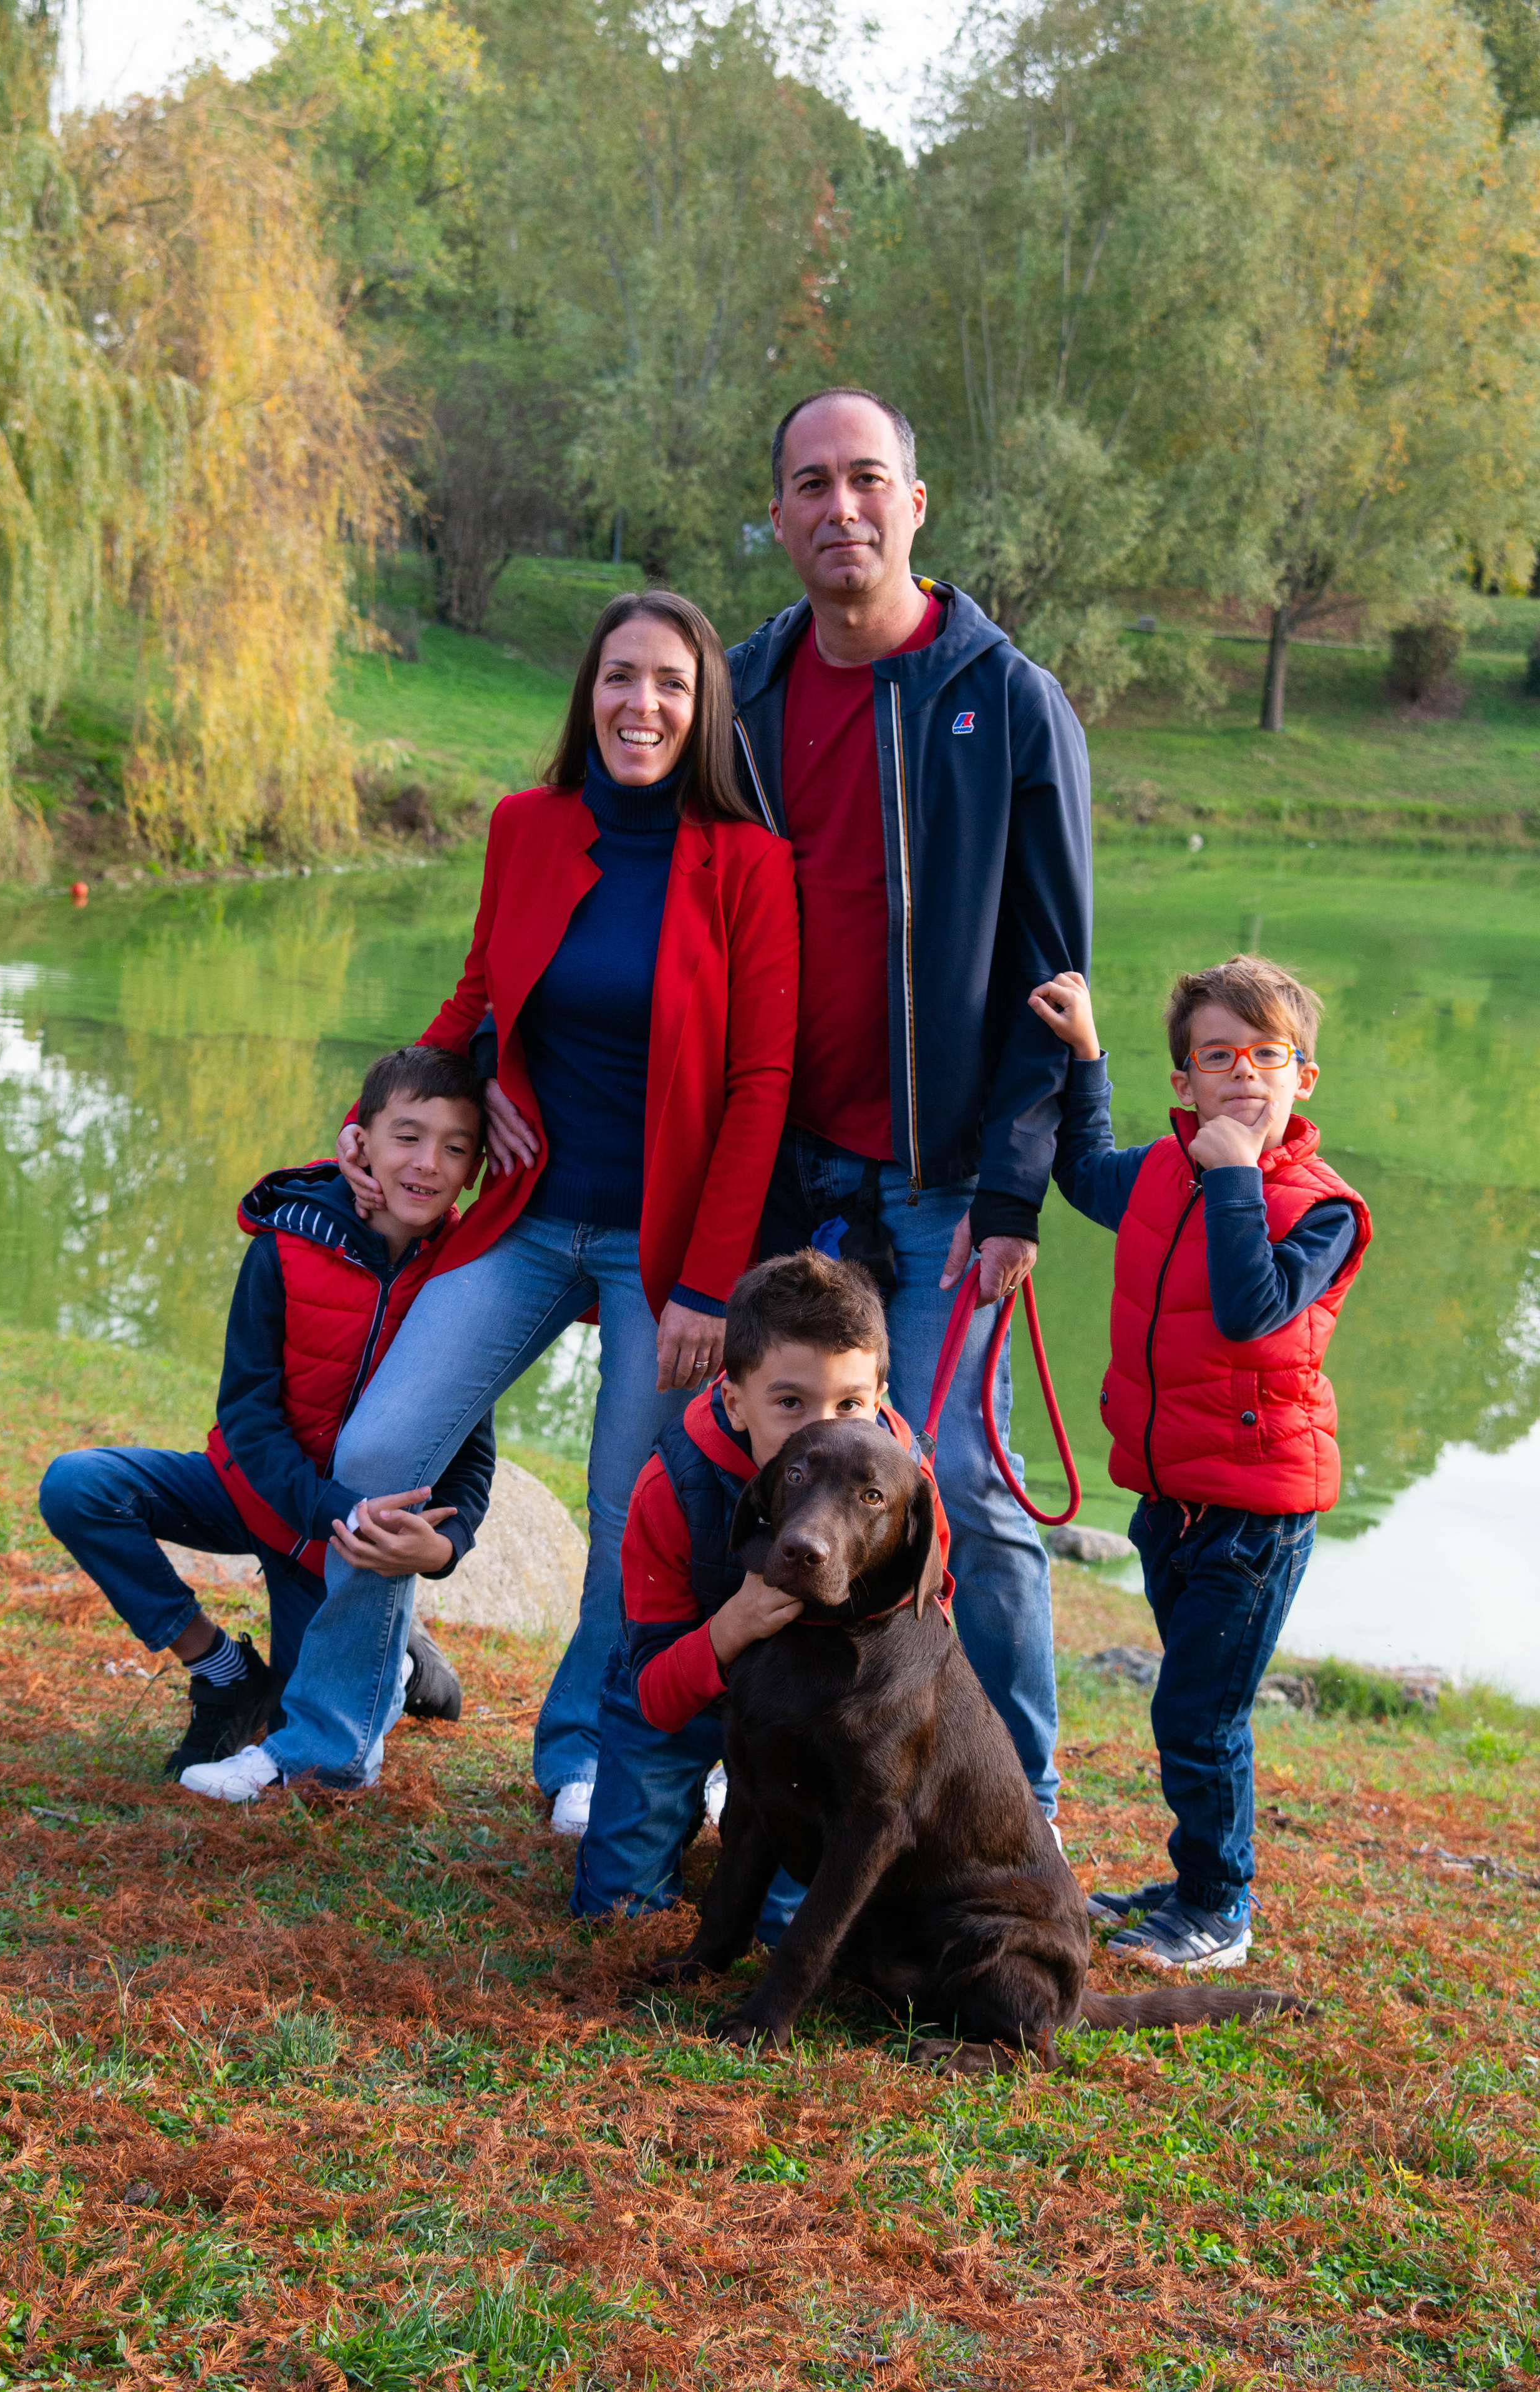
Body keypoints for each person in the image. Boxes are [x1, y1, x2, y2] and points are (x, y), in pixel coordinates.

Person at [205, 591, 798, 1818]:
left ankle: (584, 1751)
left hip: (664, 1246)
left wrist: (704, 1286)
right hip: (525, 1216)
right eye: (620, 678)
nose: (643, 705)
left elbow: (759, 1082)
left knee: (631, 1502)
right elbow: (480, 990)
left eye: (671, 686)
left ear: (704, 713)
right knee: (376, 1449)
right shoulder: (529, 827)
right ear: (588, 695)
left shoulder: (746, 862)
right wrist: (400, 1114)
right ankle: (329, 1733)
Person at [730, 383, 1091, 1823]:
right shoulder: (744, 686)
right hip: (789, 1170)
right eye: (809, 485)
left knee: (951, 1474)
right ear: (777, 515)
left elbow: (1054, 971)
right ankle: (785, 1781)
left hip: (943, 1178)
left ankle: (1022, 1803)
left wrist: (1014, 1187)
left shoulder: (1003, 697)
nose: (839, 508)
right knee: (776, 1473)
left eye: (865, 479)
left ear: (914, 502)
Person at [1033, 954, 1372, 1968]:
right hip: (1171, 1497)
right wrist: (1086, 1054)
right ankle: (1192, 1883)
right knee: (1186, 1698)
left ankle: (1220, 1912)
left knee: (1203, 1711)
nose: (1244, 1074)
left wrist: (1230, 1171)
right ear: (1182, 1080)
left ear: (1303, 1077)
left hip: (1258, 1511)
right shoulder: (1155, 1174)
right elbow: (1080, 1165)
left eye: (1269, 1054)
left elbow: (1250, 1309)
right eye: (1218, 1056)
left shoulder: (1324, 1209)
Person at [38, 1045, 491, 1791]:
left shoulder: (469, 1279)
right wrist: (332, 1510)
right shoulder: (291, 1241)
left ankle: (392, 1642)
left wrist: (443, 1547)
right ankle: (222, 1673)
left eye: (454, 1147)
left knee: (305, 1751)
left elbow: (472, 1453)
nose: (427, 1164)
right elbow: (246, 1414)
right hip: (256, 1493)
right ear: (361, 1140)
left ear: (473, 1169)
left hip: (342, 1546)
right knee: (79, 1486)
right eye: (407, 1136)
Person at [574, 1247, 951, 1930]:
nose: (822, 1430)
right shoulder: (671, 1488)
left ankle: (757, 1808)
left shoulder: (905, 1491)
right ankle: (686, 1800)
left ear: (880, 1402)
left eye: (849, 1404)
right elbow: (654, 1697)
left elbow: (926, 1638)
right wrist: (733, 1626)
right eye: (789, 1403)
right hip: (686, 1698)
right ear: (734, 1401)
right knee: (617, 1913)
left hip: (816, 1727)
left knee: (787, 1929)